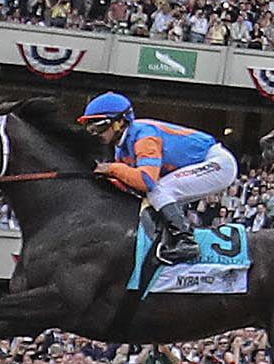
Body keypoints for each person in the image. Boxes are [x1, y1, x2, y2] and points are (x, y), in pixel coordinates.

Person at [76, 91, 237, 267]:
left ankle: (187, 241)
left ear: (120, 122)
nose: (95, 133)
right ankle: (169, 238)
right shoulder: (121, 148)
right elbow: (131, 186)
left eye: (99, 126)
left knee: (159, 190)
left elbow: (145, 181)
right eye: (90, 129)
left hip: (218, 163)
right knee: (155, 194)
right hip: (205, 164)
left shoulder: (144, 135)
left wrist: (112, 168)